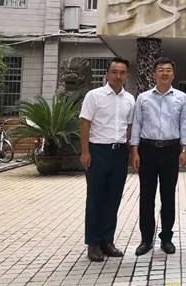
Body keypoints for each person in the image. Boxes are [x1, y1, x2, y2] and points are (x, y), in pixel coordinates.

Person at [130, 57, 186, 256]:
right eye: (161, 70)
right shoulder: (143, 98)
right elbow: (137, 124)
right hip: (147, 150)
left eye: (168, 70)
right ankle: (146, 240)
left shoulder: (181, 97)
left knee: (168, 196)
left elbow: (184, 124)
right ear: (154, 74)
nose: (165, 73)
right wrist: (135, 151)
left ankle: (166, 238)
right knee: (146, 197)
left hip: (171, 151)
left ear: (173, 74)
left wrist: (184, 150)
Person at [79, 57, 135, 262]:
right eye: (114, 72)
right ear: (107, 74)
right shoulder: (94, 96)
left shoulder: (130, 99)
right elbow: (85, 124)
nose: (118, 76)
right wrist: (85, 152)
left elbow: (129, 128)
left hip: (119, 153)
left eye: (122, 72)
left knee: (113, 198)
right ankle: (93, 243)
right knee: (96, 198)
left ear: (126, 76)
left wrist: (131, 152)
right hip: (98, 151)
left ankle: (107, 241)